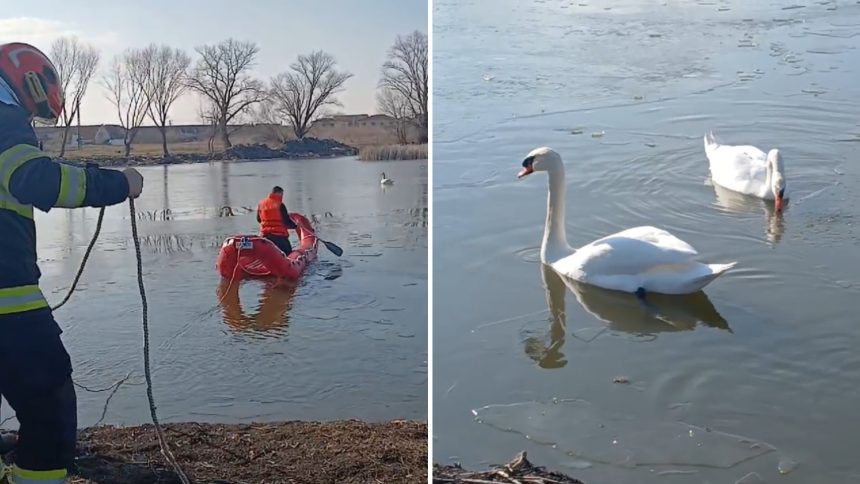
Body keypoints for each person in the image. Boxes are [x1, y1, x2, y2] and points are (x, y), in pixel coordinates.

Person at [0, 42, 144, 484]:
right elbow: (37, 180)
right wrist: (118, 184)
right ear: (29, 81)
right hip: (9, 303)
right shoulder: (4, 121)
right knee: (48, 403)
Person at [256, 186, 298, 255]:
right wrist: (296, 226)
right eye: (282, 195)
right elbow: (286, 222)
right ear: (279, 193)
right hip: (279, 237)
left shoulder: (261, 204)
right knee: (289, 255)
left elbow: (258, 219)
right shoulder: (280, 205)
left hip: (265, 236)